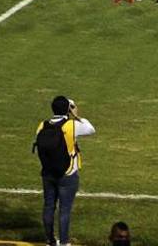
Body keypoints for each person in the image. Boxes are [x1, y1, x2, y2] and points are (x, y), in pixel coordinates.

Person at [35, 96, 95, 246]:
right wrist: (76, 115)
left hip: (48, 173)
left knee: (48, 206)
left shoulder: (42, 126)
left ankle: (50, 241)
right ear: (68, 109)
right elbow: (91, 129)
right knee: (65, 210)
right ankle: (64, 242)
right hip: (67, 174)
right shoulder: (71, 125)